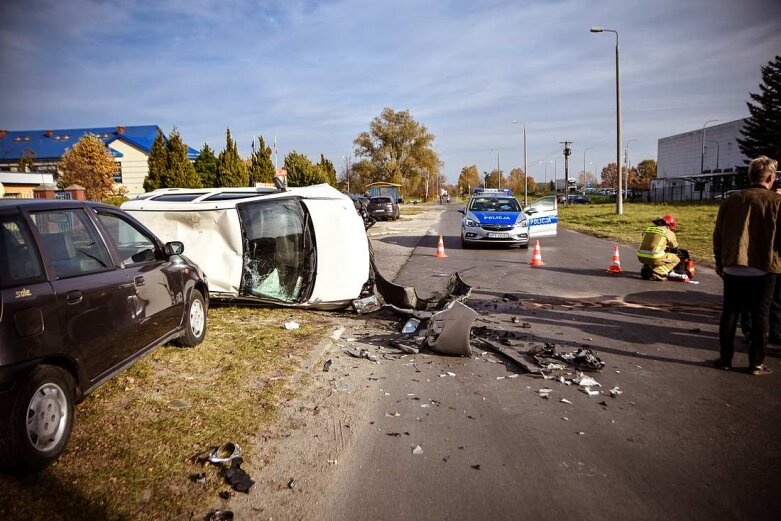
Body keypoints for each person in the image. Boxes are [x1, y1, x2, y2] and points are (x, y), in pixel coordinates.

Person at [713, 155, 781, 375]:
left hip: (733, 264)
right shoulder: (776, 202)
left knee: (730, 313)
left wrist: (719, 262)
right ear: (770, 177)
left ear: (750, 176)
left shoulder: (732, 200)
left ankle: (725, 359)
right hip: (764, 267)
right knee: (761, 314)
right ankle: (756, 363)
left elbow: (719, 235)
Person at [637, 214, 680, 281]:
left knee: (652, 250)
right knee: (676, 259)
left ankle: (646, 269)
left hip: (640, 256)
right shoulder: (668, 232)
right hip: (654, 257)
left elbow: (651, 243)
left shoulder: (648, 229)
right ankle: (657, 272)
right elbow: (674, 248)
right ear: (670, 225)